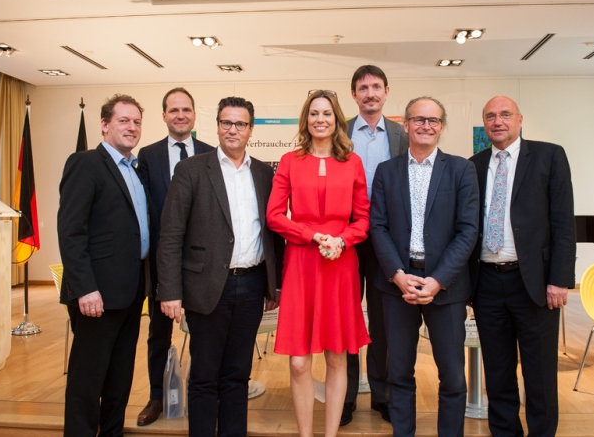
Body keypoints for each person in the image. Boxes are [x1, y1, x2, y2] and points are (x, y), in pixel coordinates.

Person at [157, 96, 284, 436]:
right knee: (204, 375)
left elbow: (273, 231)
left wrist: (275, 284)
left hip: (253, 285)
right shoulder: (192, 170)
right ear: (216, 126)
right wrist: (169, 290)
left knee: (237, 374)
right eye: (226, 122)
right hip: (207, 287)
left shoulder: (263, 172)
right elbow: (170, 234)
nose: (233, 130)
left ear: (251, 130)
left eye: (240, 124)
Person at [370, 96, 479, 437]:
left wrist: (438, 281)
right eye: (418, 119)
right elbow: (378, 226)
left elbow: (467, 230)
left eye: (433, 121)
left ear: (442, 127)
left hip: (445, 289)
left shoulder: (462, 169)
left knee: (452, 375)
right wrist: (398, 275)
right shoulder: (386, 172)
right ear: (406, 125)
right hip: (396, 285)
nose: (425, 126)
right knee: (399, 373)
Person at [468, 96, 576, 437]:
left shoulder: (549, 156)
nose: (497, 121)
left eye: (505, 115)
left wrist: (559, 280)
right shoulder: (473, 164)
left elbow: (563, 223)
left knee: (540, 373)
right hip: (486, 282)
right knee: (498, 372)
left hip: (535, 283)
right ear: (484, 124)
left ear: (519, 119)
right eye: (490, 117)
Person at [267, 89, 371, 437]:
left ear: (337, 119)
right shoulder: (289, 161)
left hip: (340, 264)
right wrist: (312, 236)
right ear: (305, 119)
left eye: (327, 113)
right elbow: (274, 216)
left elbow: (363, 219)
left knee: (337, 356)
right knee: (299, 363)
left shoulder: (352, 162)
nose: (320, 119)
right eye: (314, 113)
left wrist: (341, 240)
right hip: (302, 262)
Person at [58, 94, 152, 436]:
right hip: (96, 295)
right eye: (123, 120)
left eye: (137, 122)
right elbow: (71, 232)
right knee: (87, 380)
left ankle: (112, 432)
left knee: (120, 376)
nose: (131, 127)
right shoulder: (85, 163)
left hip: (130, 292)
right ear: (105, 124)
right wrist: (84, 288)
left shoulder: (135, 170)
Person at [136, 87, 213, 427]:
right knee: (158, 333)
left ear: (195, 114)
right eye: (173, 110)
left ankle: (202, 395)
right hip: (161, 262)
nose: (180, 115)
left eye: (186, 109)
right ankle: (157, 397)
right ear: (164, 115)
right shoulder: (148, 155)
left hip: (202, 263)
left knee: (204, 333)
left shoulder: (212, 153)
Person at [342, 65, 408, 426]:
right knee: (347, 318)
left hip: (386, 239)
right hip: (346, 240)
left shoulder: (401, 134)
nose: (370, 93)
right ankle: (347, 396)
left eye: (376, 87)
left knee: (385, 322)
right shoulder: (340, 133)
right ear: (354, 94)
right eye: (363, 88)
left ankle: (382, 395)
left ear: (386, 92)